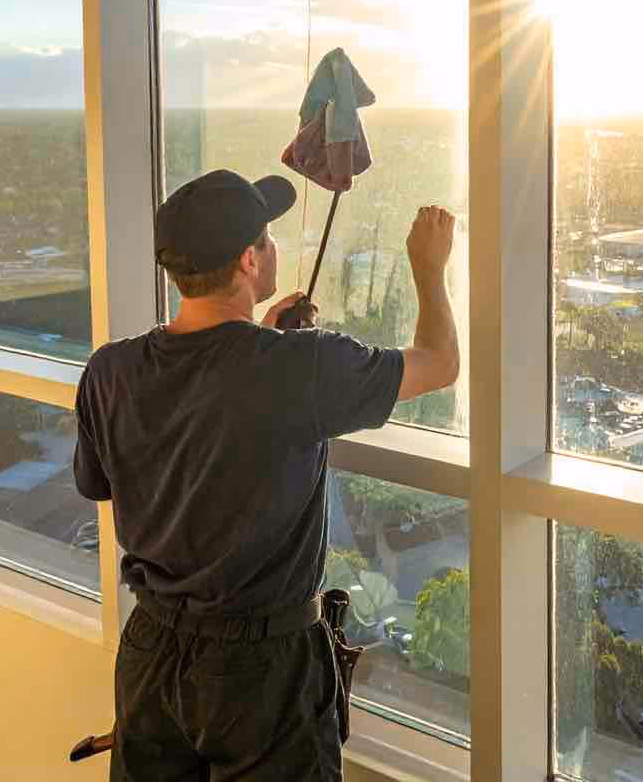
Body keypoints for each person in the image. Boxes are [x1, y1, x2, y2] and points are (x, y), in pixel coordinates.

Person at [72, 168, 460, 781]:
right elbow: (438, 364)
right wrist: (429, 269)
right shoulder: (297, 369)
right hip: (263, 663)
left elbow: (112, 478)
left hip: (151, 648)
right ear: (251, 261)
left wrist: (262, 344)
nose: (275, 247)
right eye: (268, 237)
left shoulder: (108, 370)